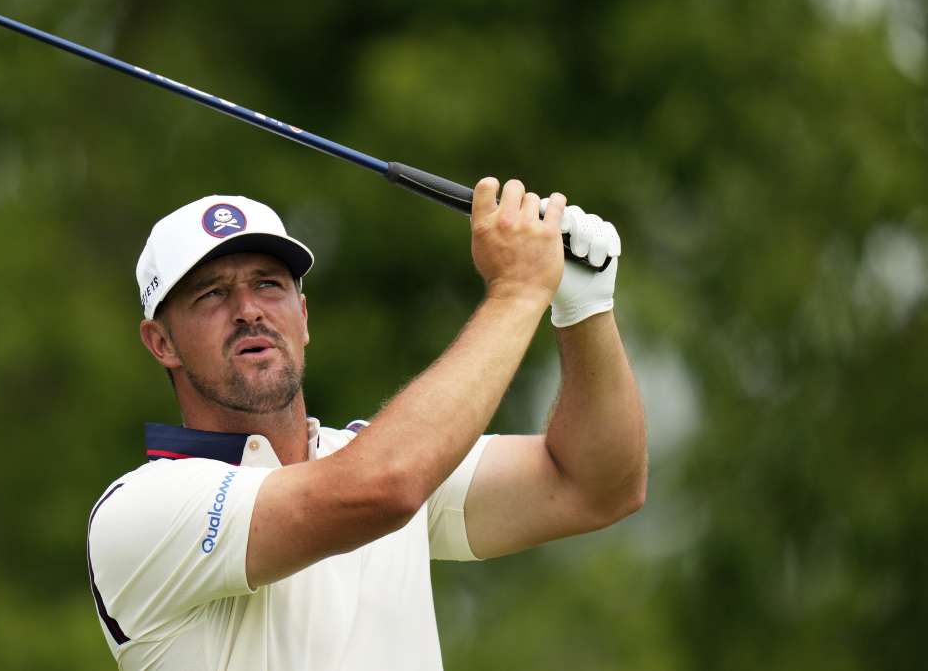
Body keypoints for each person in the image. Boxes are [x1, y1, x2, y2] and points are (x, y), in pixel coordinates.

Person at [87, 178, 647, 670]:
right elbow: (385, 486)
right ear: (161, 343)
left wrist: (584, 310)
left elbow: (596, 485)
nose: (249, 310)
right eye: (212, 294)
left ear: (303, 316)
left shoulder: (364, 456)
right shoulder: (142, 509)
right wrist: (519, 291)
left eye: (269, 284)